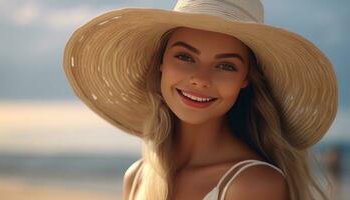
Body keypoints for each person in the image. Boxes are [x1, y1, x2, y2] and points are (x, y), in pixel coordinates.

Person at [62, 0, 338, 200]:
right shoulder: (137, 177)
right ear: (160, 62)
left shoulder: (252, 185)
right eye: (185, 57)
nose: (201, 79)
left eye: (226, 66)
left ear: (246, 79)